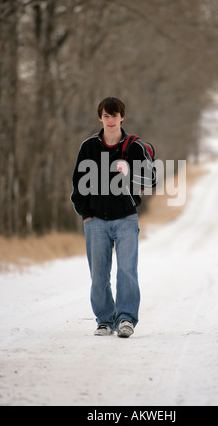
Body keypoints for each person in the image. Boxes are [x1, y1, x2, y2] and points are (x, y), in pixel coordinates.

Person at [71, 97, 157, 338]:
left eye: (115, 115)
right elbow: (78, 185)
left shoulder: (134, 147)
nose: (111, 120)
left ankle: (126, 319)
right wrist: (86, 214)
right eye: (106, 115)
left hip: (126, 219)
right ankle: (104, 320)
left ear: (122, 117)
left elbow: (150, 182)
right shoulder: (88, 147)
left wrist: (130, 172)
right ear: (100, 117)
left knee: (127, 270)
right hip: (95, 220)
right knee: (98, 274)